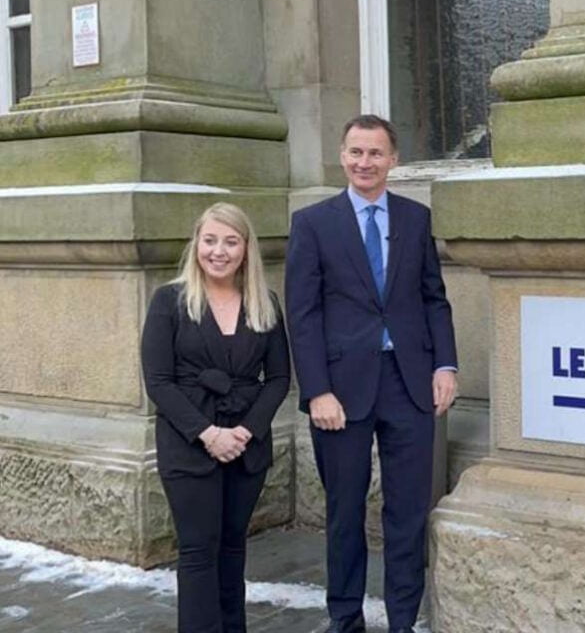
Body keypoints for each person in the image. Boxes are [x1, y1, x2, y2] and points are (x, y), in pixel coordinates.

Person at [286, 114, 458, 633]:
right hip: (340, 392)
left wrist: (445, 364)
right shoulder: (313, 223)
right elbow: (303, 313)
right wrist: (316, 390)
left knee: (407, 513)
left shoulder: (415, 218)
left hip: (409, 384)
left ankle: (404, 620)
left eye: (376, 153)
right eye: (357, 152)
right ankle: (346, 619)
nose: (366, 163)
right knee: (344, 512)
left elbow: (434, 299)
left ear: (393, 160)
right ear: (342, 156)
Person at [140, 202, 291, 633]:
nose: (218, 251)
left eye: (230, 241)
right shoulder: (169, 300)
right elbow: (159, 381)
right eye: (210, 240)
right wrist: (208, 434)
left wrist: (243, 431)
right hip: (189, 444)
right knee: (198, 552)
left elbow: (279, 378)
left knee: (232, 549)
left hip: (246, 447)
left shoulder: (266, 303)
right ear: (196, 244)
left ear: (246, 249)